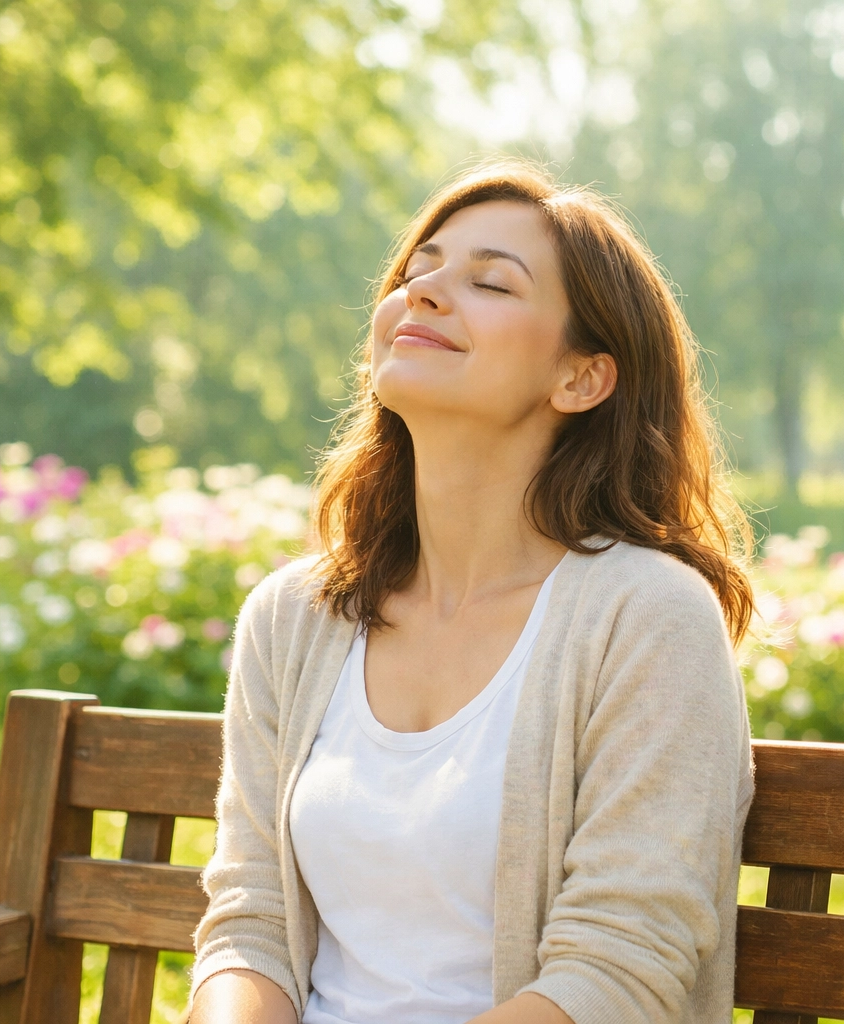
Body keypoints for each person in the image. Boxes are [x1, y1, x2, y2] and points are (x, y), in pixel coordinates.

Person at [187, 163, 756, 1024]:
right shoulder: (294, 616)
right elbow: (251, 922)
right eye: (417, 271)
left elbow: (619, 969)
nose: (423, 292)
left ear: (581, 379)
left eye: (490, 283)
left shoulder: (649, 617)